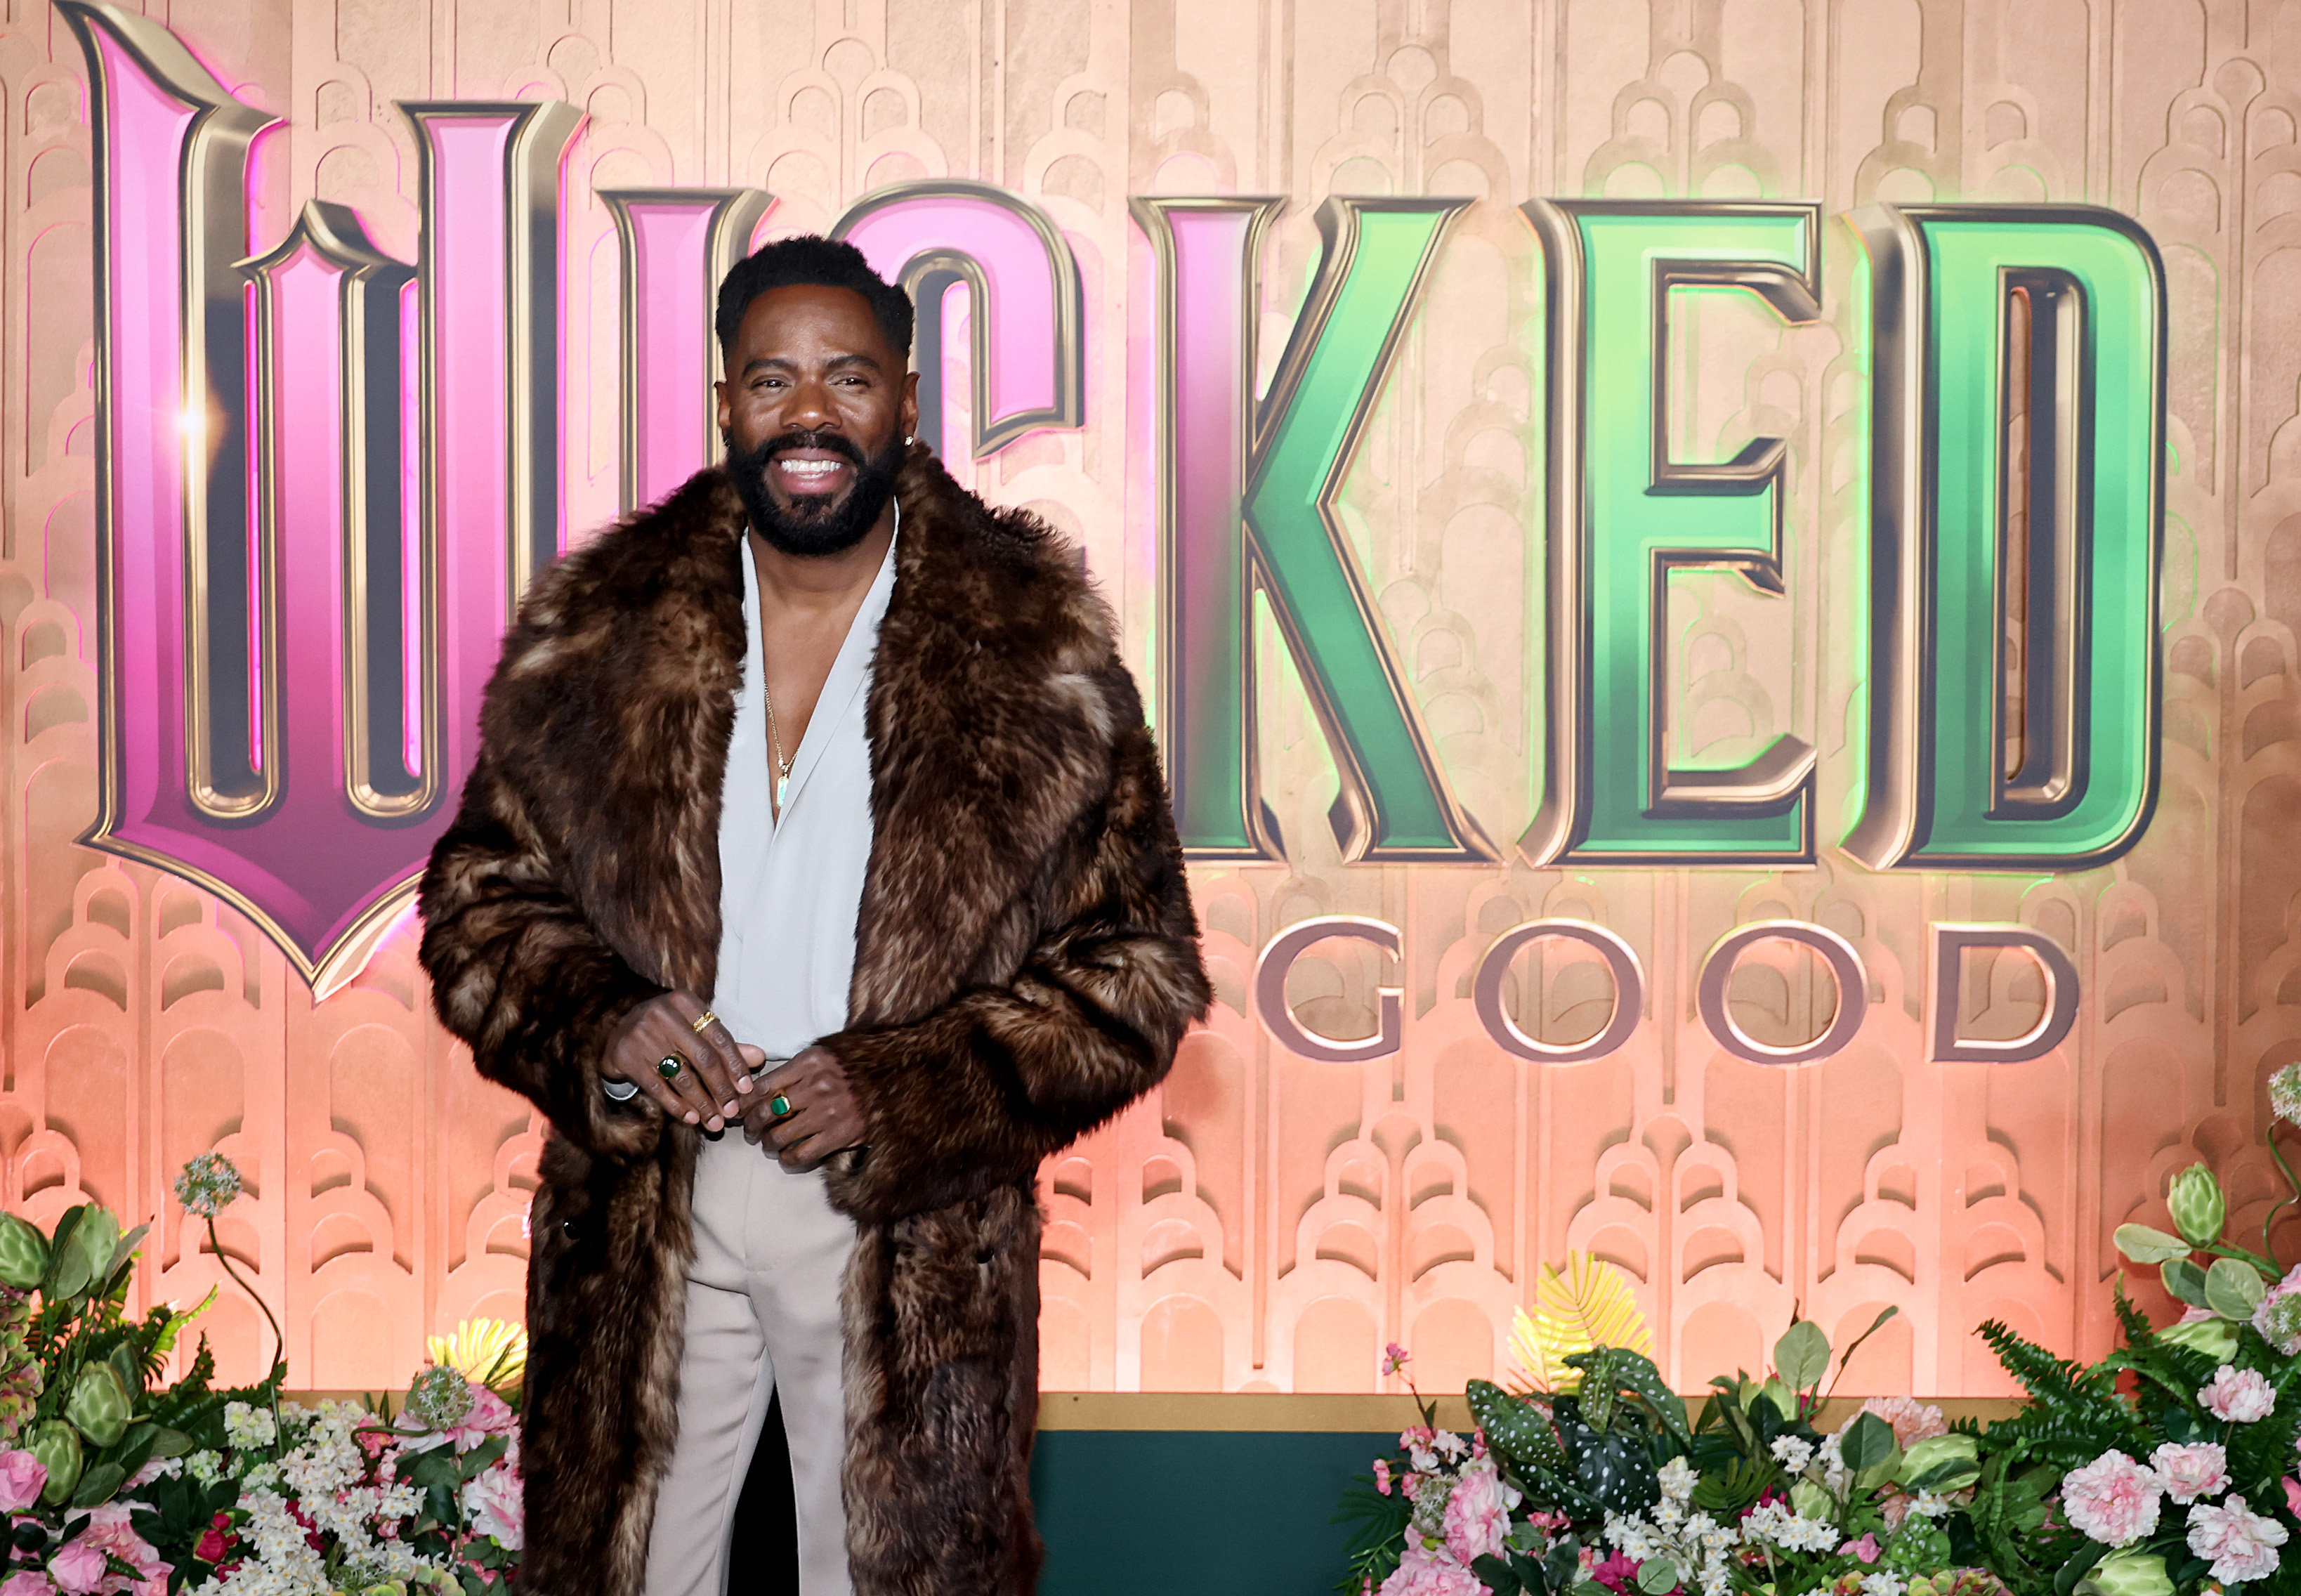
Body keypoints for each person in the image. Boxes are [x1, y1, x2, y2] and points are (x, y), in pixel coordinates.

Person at [417, 235, 1209, 1596]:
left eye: (848, 377)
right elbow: (477, 902)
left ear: (905, 399)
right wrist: (606, 1024)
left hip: (902, 1233)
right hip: (652, 1199)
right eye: (773, 378)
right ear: (727, 402)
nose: (810, 414)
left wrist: (903, 1092)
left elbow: (1139, 975)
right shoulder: (599, 633)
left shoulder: (1032, 652)